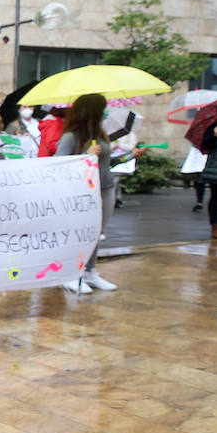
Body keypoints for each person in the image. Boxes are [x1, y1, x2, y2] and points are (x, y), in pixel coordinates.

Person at [54, 93, 141, 293]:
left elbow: (106, 163)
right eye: (101, 109)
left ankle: (90, 271)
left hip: (105, 188)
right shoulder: (71, 137)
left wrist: (129, 156)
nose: (105, 113)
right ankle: (70, 273)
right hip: (81, 193)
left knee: (96, 233)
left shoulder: (100, 136)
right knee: (79, 233)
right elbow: (59, 165)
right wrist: (85, 156)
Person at [194, 119, 217, 239]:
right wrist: (215, 135)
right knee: (216, 197)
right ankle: (215, 227)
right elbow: (205, 145)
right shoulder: (215, 126)